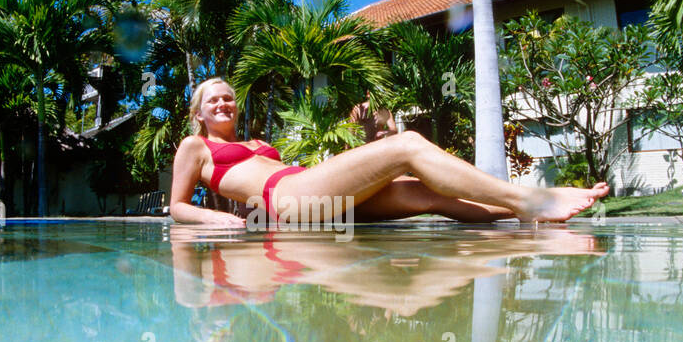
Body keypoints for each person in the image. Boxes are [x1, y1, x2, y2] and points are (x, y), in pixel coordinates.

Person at [168, 77, 609, 227]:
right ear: (200, 111)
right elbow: (177, 205)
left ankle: (514, 214)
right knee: (408, 145)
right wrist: (217, 218)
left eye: (229, 98)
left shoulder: (254, 142)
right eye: (214, 100)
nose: (224, 103)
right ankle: (529, 199)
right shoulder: (195, 146)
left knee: (423, 193)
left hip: (309, 195)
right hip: (283, 199)